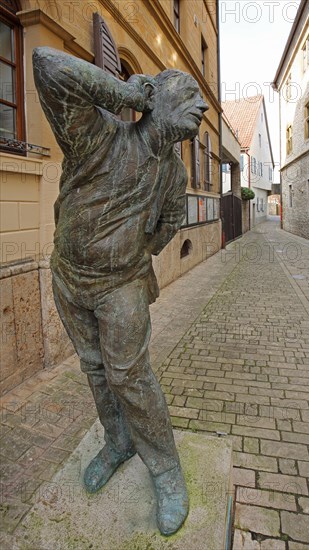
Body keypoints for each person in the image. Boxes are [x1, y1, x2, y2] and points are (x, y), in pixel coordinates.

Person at [33, 47, 208, 536]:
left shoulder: (174, 172)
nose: (204, 106)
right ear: (158, 99)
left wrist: (133, 250)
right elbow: (48, 63)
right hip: (69, 277)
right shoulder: (99, 134)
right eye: (190, 95)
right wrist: (131, 93)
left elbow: (171, 221)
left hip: (122, 285)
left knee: (130, 376)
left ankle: (166, 469)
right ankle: (117, 442)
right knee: (94, 369)